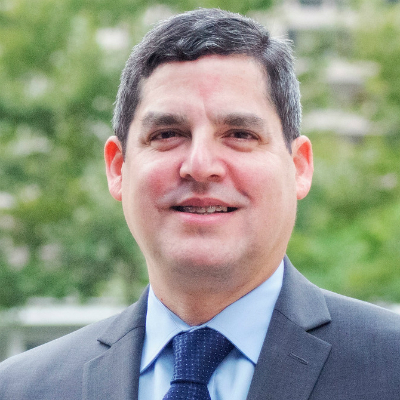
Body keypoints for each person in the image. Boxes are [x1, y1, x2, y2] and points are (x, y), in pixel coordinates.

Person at [0, 8, 399, 400]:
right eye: (168, 133)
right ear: (118, 168)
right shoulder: (22, 388)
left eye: (240, 134)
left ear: (299, 168)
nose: (200, 166)